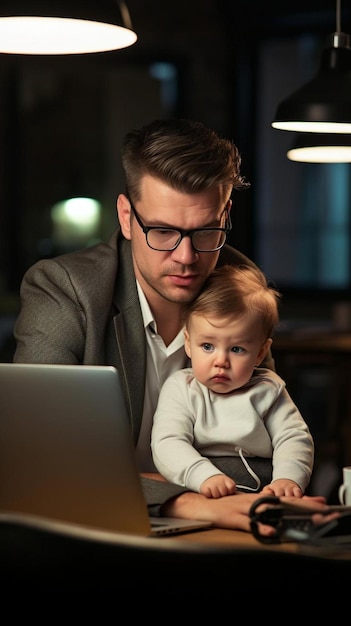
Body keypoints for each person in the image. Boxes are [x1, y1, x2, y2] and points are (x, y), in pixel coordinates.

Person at [13, 117, 331, 534]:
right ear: (126, 217)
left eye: (205, 231)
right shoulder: (63, 288)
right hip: (86, 528)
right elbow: (39, 455)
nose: (185, 256)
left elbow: (258, 439)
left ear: (225, 212)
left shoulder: (239, 283)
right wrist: (183, 501)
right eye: (162, 231)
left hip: (219, 524)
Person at [151, 264, 314, 499]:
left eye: (237, 349)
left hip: (265, 488)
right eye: (207, 346)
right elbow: (168, 442)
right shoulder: (182, 389)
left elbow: (293, 438)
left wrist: (287, 478)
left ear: (260, 353)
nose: (221, 361)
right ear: (188, 343)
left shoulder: (268, 389)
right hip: (201, 487)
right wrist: (203, 475)